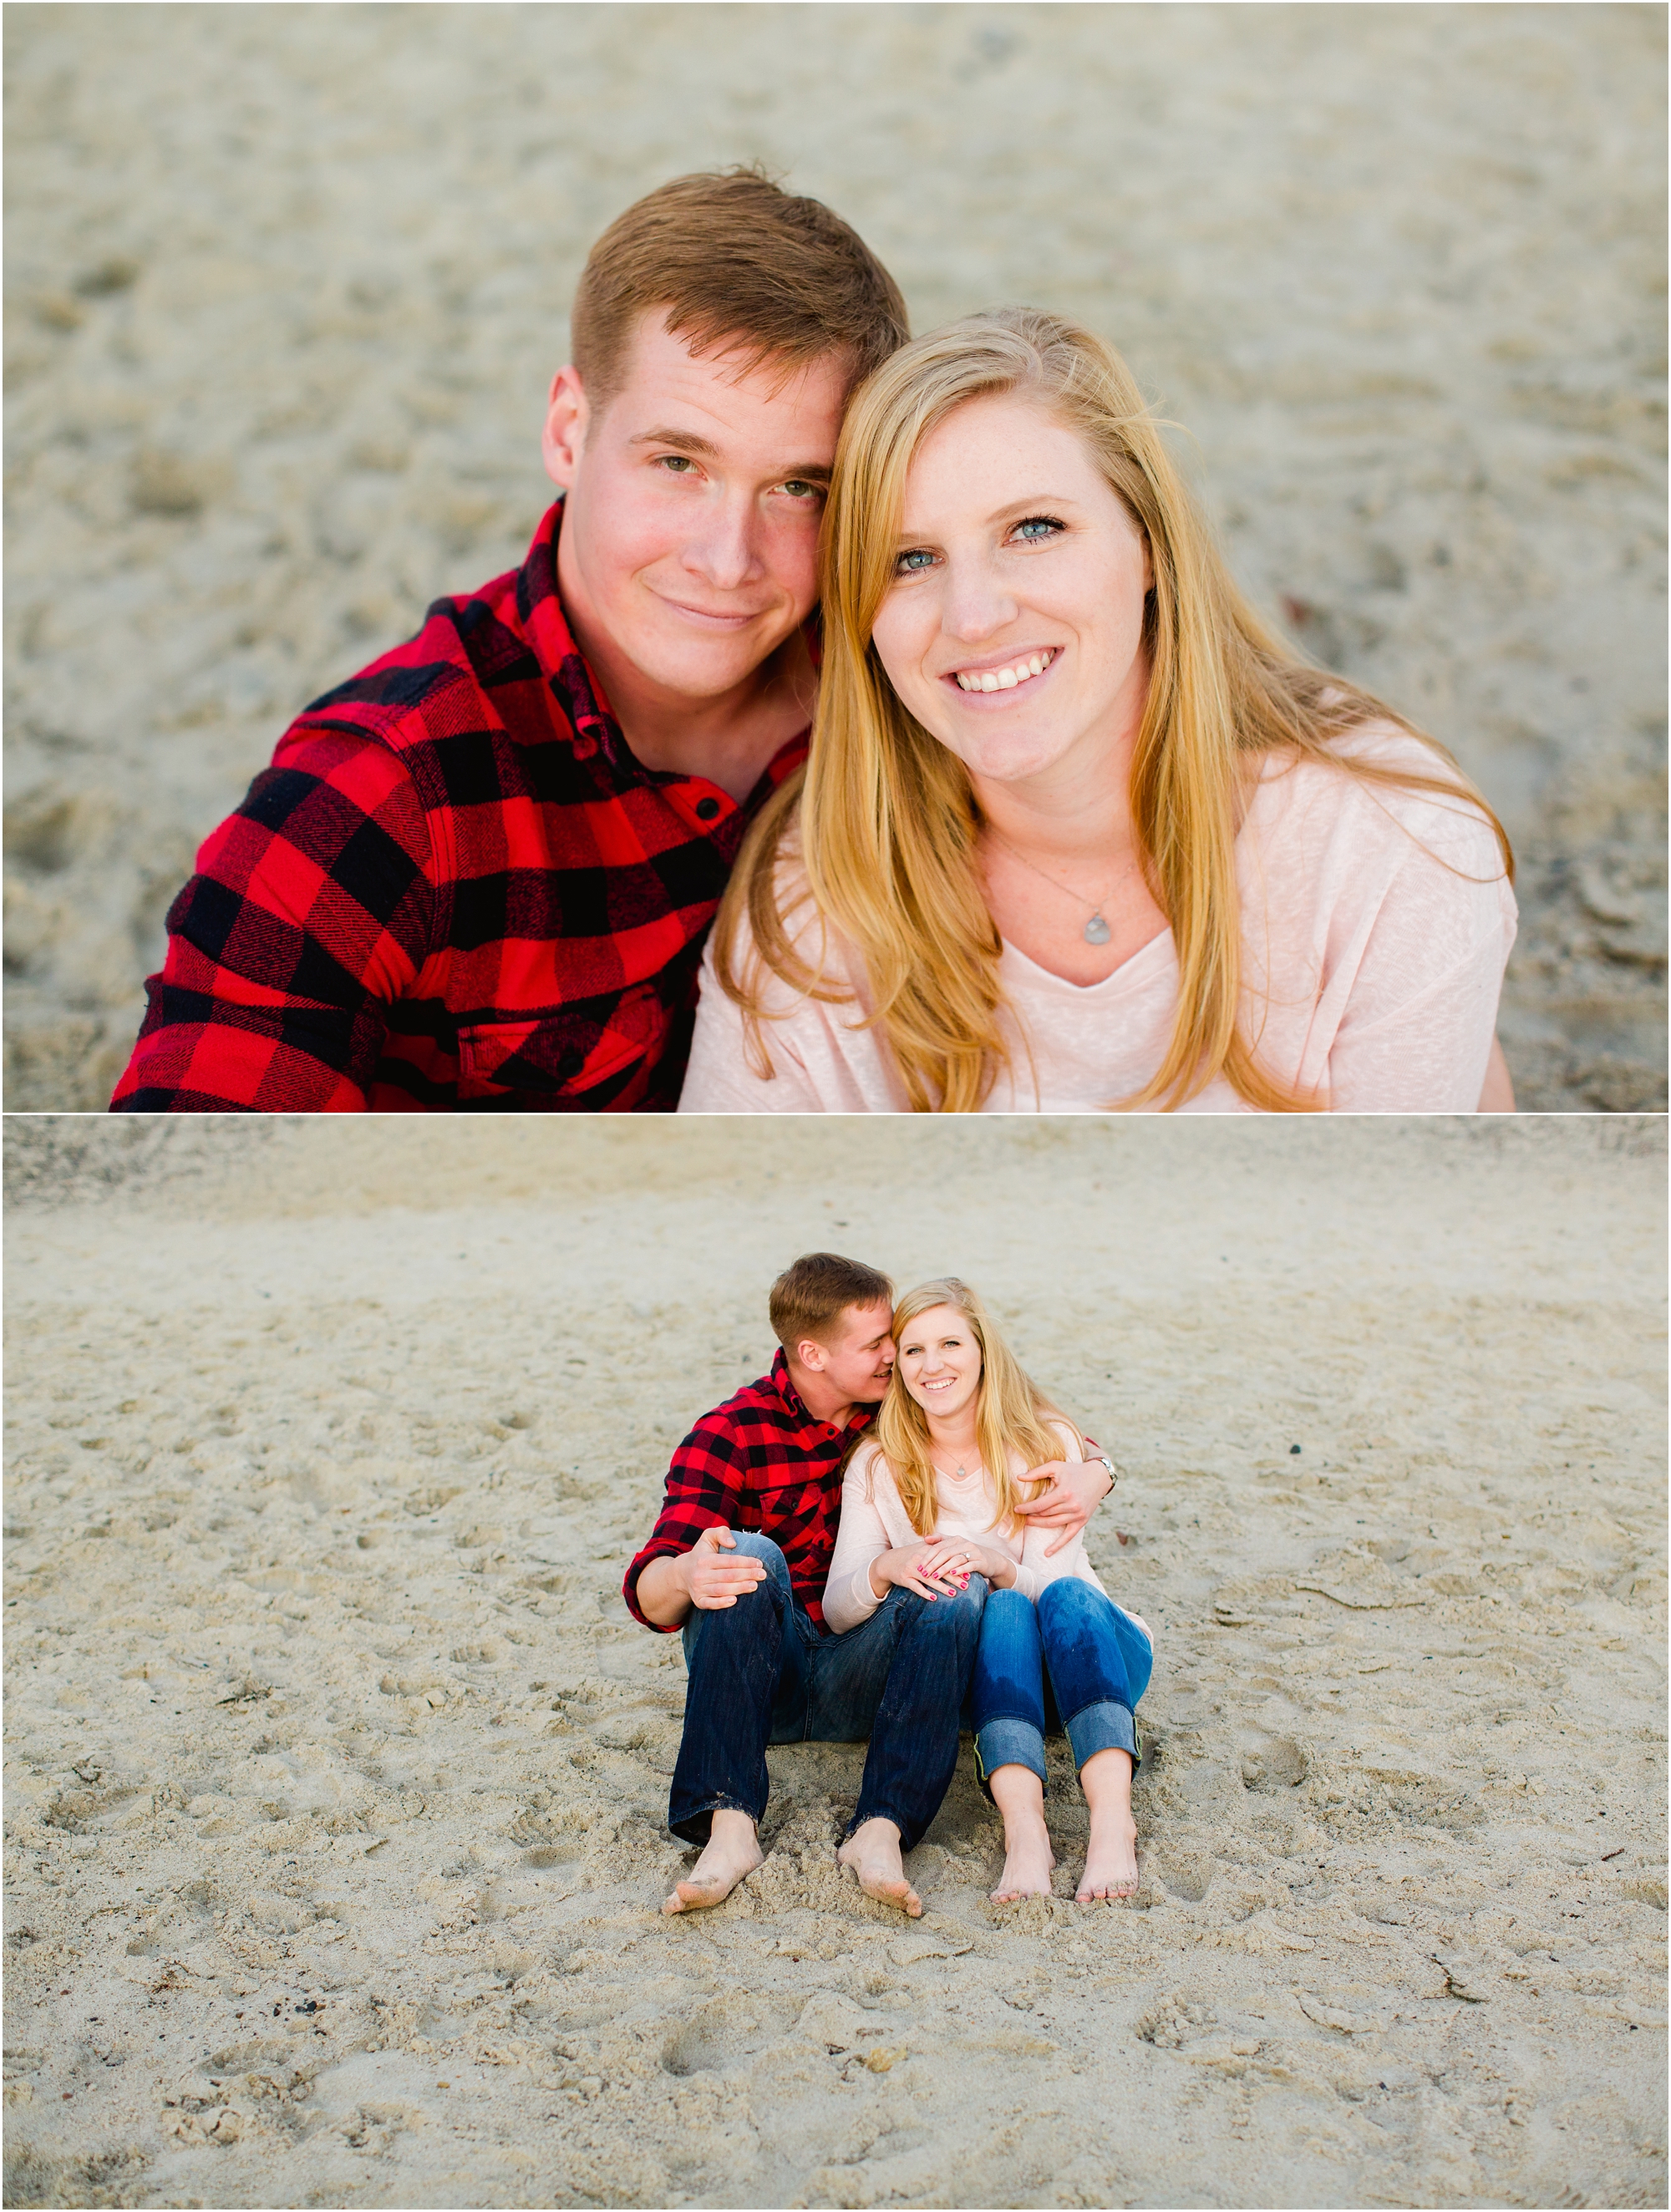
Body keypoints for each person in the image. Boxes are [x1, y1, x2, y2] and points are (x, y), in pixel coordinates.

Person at [109, 169, 909, 1110]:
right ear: (569, 432)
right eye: (677, 462)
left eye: (797, 488)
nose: (727, 558)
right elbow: (193, 1173)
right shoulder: (382, 794)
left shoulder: (903, 697)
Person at [682, 307, 1520, 1114]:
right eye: (909, 559)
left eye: (1033, 529)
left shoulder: (1387, 846)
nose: (972, 615)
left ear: (1147, 546)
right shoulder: (818, 897)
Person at [623, 1251, 1115, 1917]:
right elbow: (650, 1589)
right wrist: (684, 1571)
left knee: (955, 1582)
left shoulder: (891, 1414)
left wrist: (1098, 1468)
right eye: (879, 1344)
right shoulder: (728, 1435)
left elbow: (1016, 1421)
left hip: (869, 1671)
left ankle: (881, 1828)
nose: (898, 1358)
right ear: (814, 1354)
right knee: (746, 1553)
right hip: (767, 1678)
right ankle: (730, 1828)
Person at [824, 1277, 1152, 1904]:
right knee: (998, 1611)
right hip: (991, 1693)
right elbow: (840, 1610)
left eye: (951, 1343)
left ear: (982, 1352)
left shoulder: (1043, 1441)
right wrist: (888, 1564)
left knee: (1052, 1596)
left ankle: (1113, 1823)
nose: (933, 1364)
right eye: (913, 1350)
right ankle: (1025, 1834)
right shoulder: (879, 1464)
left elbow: (1056, 1589)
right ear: (898, 1366)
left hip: (1092, 1662)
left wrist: (993, 1560)